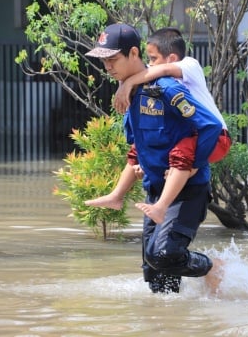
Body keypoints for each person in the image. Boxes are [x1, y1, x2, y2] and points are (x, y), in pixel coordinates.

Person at [84, 23, 224, 294]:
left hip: (187, 192)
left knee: (163, 255)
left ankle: (211, 267)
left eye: (112, 59)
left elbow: (211, 126)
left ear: (133, 53)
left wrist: (195, 164)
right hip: (154, 190)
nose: (108, 67)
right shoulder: (129, 94)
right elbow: (139, 144)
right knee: (156, 275)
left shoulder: (167, 89)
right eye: (104, 62)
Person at [113, 27, 230, 164]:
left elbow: (163, 69)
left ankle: (180, 176)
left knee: (181, 154)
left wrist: (129, 83)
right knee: (142, 149)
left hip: (215, 137)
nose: (149, 64)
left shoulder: (190, 65)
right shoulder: (160, 81)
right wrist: (123, 83)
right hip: (188, 135)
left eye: (153, 58)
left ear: (172, 58)